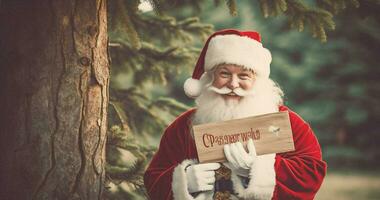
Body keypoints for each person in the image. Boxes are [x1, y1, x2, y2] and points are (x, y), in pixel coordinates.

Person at [144, 29, 327, 200]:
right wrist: (184, 181)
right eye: (224, 74)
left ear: (257, 80)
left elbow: (312, 172)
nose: (233, 84)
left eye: (243, 75)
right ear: (210, 77)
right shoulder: (184, 126)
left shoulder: (287, 123)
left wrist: (258, 169)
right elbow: (153, 179)